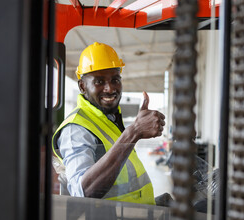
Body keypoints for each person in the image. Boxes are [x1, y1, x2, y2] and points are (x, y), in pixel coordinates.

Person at [52, 42, 166, 205]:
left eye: (115, 80)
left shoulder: (108, 119)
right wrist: (134, 132)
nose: (110, 88)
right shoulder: (76, 129)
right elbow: (82, 192)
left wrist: (155, 204)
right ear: (82, 86)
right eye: (99, 82)